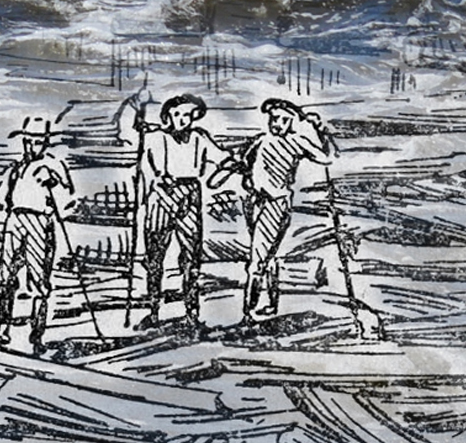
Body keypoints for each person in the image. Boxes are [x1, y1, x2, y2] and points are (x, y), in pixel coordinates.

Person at [118, 90, 224, 328]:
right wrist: (136, 104)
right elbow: (126, 130)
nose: (183, 119)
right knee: (154, 257)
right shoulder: (155, 137)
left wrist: (236, 164)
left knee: (191, 257)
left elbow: (222, 156)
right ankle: (154, 311)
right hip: (161, 196)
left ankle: (191, 312)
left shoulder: (199, 137)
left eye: (188, 115)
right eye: (178, 114)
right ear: (169, 116)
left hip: (189, 195)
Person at [239, 97, 337, 322]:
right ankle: (270, 306)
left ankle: (249, 312)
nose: (277, 124)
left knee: (258, 260)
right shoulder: (261, 140)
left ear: (291, 122)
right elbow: (244, 161)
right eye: (274, 119)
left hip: (276, 203)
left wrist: (321, 133)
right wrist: (247, 177)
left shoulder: (296, 142)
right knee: (268, 258)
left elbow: (325, 158)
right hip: (255, 201)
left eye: (283, 120)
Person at [0, 116, 75, 354]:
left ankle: (36, 336)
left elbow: (68, 202)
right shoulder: (15, 170)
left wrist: (54, 184)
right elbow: (0, 202)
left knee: (39, 282)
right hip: (14, 222)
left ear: (45, 143)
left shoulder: (53, 166)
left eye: (37, 142)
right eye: (28, 141)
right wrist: (1, 230)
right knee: (5, 278)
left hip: (39, 221)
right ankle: (2, 329)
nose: (31, 146)